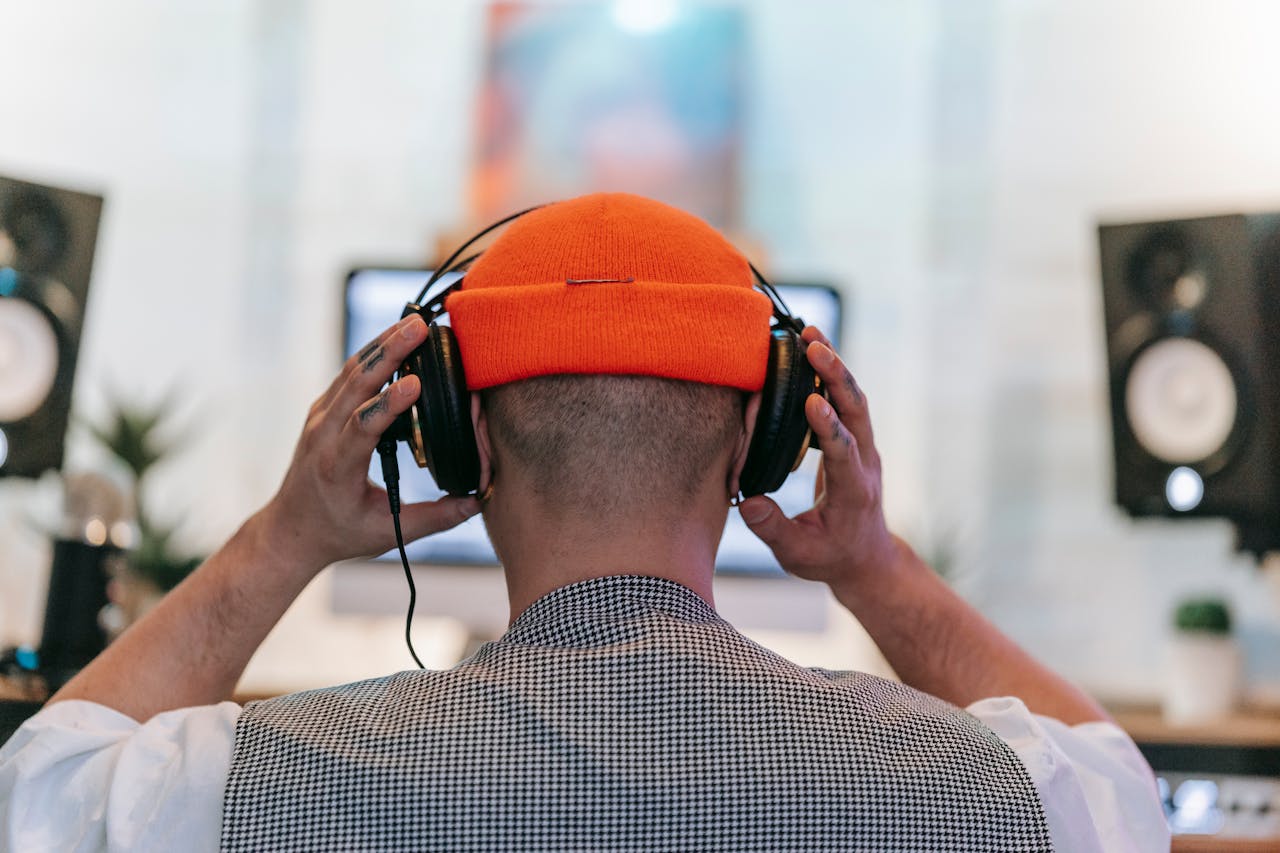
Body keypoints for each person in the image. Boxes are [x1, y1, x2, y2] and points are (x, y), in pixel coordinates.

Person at [0, 193, 1167, 851]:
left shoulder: (247, 786)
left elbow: (39, 788)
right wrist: (873, 566)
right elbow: (1123, 788)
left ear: (463, 439)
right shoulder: (993, 795)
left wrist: (283, 538)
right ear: (762, 444)